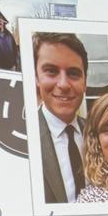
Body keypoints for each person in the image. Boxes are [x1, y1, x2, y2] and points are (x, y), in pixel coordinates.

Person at [34, 31, 88, 203]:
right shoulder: (21, 138)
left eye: (73, 73)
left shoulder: (100, 135)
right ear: (36, 78)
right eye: (51, 71)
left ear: (85, 81)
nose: (64, 84)